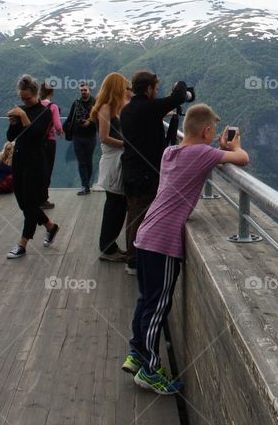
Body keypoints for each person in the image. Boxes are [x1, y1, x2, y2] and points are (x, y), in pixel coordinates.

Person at [123, 104, 249, 394]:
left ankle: (137, 352)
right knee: (158, 307)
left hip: (145, 235)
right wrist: (232, 145)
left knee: (146, 300)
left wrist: (214, 146)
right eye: (213, 131)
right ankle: (150, 370)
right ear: (207, 131)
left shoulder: (170, 153)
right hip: (164, 243)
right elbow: (242, 159)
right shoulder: (203, 154)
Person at [120, 71, 189, 273]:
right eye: (156, 89)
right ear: (149, 89)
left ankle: (133, 257)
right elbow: (178, 97)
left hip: (130, 168)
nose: (156, 93)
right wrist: (180, 83)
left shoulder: (127, 110)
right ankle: (134, 261)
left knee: (133, 212)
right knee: (141, 214)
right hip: (145, 172)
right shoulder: (148, 108)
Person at [6, 75, 62, 259]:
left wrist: (22, 116)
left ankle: (23, 243)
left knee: (30, 202)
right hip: (19, 159)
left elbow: (36, 135)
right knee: (23, 202)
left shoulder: (45, 112)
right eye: (22, 98)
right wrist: (13, 123)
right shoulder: (20, 110)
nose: (24, 101)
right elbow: (11, 136)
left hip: (36, 161)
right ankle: (50, 226)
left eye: (27, 98)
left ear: (36, 94)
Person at [92, 73, 131, 262]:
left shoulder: (114, 107)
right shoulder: (106, 108)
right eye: (124, 86)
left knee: (116, 205)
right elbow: (104, 137)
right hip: (112, 160)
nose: (126, 89)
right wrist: (127, 144)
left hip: (116, 159)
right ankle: (107, 248)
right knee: (114, 207)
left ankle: (110, 245)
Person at [64, 81, 97, 194]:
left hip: (90, 136)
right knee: (81, 161)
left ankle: (88, 183)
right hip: (77, 136)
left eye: (85, 90)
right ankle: (85, 185)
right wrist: (64, 129)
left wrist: (89, 123)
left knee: (88, 161)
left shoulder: (95, 103)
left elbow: (98, 120)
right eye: (81, 90)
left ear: (89, 90)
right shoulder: (76, 103)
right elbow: (70, 118)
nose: (83, 92)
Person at [39, 83, 64, 209]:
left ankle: (36, 196)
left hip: (36, 142)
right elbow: (58, 125)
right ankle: (43, 199)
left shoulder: (36, 105)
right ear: (51, 93)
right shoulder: (52, 106)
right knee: (47, 170)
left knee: (38, 169)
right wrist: (60, 131)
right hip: (49, 141)